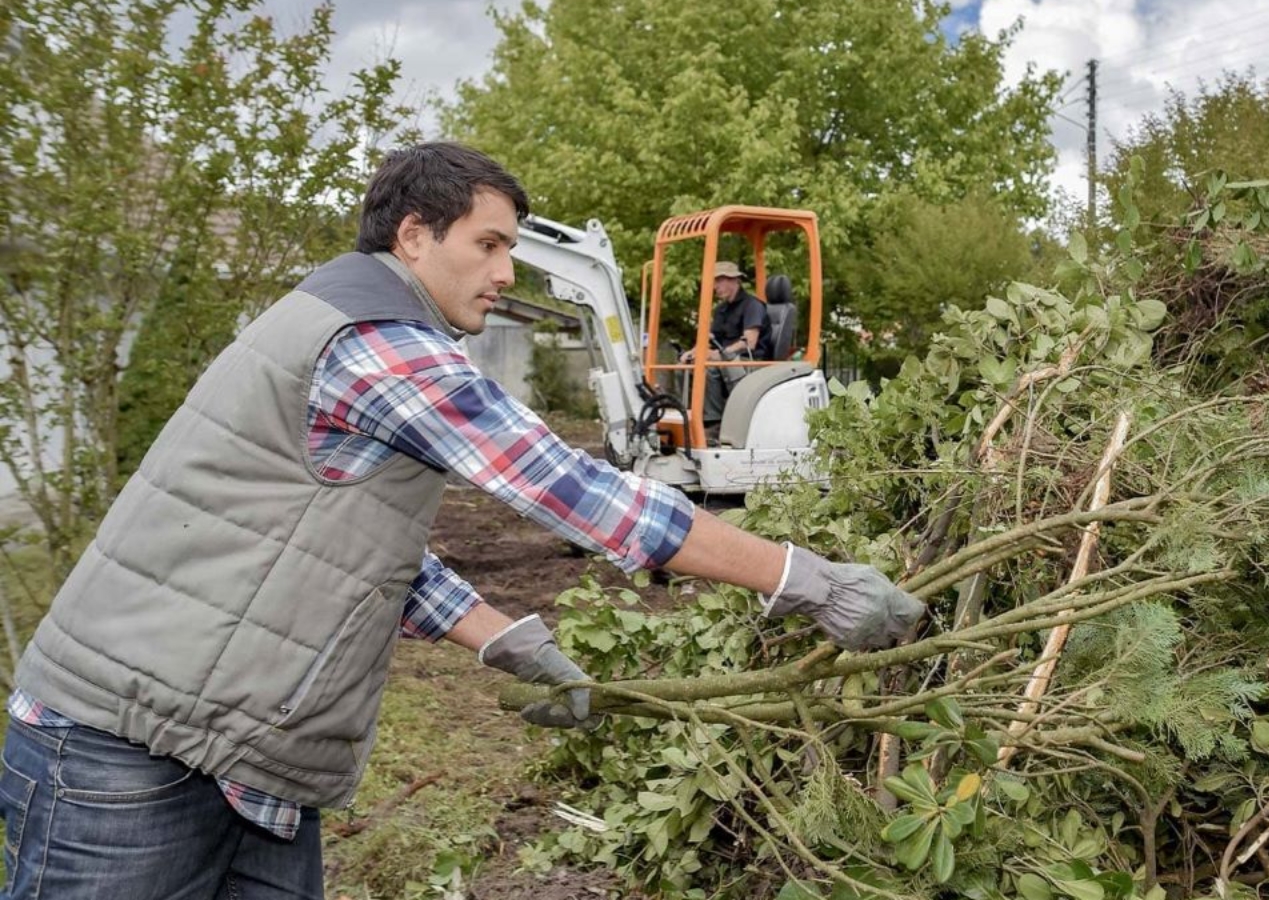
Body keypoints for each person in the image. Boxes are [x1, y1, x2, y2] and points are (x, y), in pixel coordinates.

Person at [0, 143, 924, 900]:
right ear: (415, 235)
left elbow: (357, 545)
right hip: (125, 755)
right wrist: (808, 580)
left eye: (510, 248)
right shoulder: (375, 342)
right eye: (487, 245)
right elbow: (569, 489)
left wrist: (505, 641)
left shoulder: (356, 321)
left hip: (235, 758)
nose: (506, 271)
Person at [677, 261, 770, 434]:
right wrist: (692, 353)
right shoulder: (721, 310)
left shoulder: (753, 305)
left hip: (750, 361)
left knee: (710, 369)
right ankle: (691, 415)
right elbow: (709, 339)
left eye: (719, 281)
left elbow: (749, 342)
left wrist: (720, 355)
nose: (715, 287)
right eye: (714, 282)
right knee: (684, 368)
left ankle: (713, 423)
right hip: (726, 360)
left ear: (735, 280)